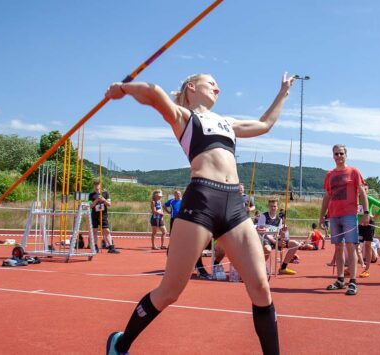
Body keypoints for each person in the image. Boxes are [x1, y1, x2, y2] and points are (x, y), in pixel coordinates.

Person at [104, 72, 293, 355]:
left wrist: (283, 93)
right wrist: (123, 88)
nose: (218, 86)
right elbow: (155, 93)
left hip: (234, 204)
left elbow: (265, 124)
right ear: (192, 87)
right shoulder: (184, 117)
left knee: (261, 289)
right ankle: (121, 343)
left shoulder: (227, 122)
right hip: (201, 199)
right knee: (170, 291)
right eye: (211, 82)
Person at [319, 144, 369, 296]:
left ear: (346, 155)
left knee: (351, 246)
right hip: (334, 215)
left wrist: (366, 212)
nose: (339, 156)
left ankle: (352, 281)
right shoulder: (330, 175)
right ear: (333, 156)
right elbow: (327, 196)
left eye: (341, 153)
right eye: (336, 154)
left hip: (349, 215)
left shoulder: (354, 172)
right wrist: (322, 215)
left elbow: (362, 193)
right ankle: (340, 279)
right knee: (338, 247)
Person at [257, 199, 300, 275]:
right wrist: (275, 241)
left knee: (295, 244)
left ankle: (283, 268)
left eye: (274, 206)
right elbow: (261, 232)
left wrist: (282, 235)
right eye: (271, 206)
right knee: (267, 249)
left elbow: (278, 234)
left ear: (277, 207)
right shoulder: (263, 216)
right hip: (264, 239)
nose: (273, 208)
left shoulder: (279, 220)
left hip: (275, 240)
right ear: (268, 206)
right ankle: (261, 267)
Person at [357, 184, 380, 278]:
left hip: (369, 224)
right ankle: (351, 268)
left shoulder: (369, 198)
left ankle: (367, 269)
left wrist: (375, 215)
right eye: (361, 188)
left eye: (365, 189)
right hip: (359, 225)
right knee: (355, 245)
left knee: (367, 245)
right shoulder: (356, 198)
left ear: (367, 191)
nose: (363, 190)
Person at [89, 181, 119, 253]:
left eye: (98, 185)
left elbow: (109, 204)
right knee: (94, 231)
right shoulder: (91, 195)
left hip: (103, 215)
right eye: (95, 185)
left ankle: (111, 247)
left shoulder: (105, 194)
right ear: (94, 186)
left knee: (106, 231)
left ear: (100, 185)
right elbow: (90, 206)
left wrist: (103, 200)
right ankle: (95, 247)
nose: (96, 186)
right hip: (94, 215)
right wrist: (96, 200)